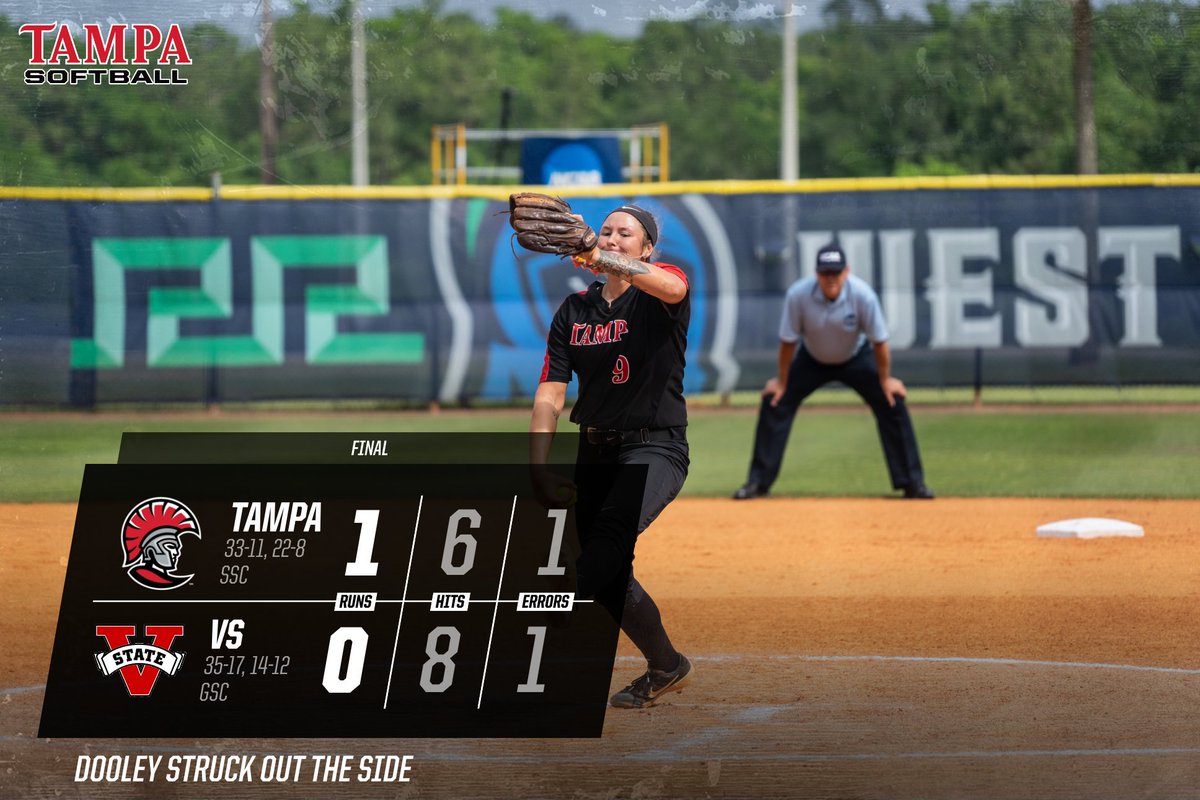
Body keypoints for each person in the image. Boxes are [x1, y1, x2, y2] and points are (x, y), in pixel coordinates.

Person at [529, 203, 694, 709]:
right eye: (605, 232)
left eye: (626, 233)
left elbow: (673, 289)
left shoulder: (660, 291)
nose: (613, 238)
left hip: (654, 446)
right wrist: (538, 465)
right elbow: (551, 393)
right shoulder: (573, 311)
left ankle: (658, 659)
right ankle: (667, 665)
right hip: (595, 451)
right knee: (602, 570)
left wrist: (597, 254)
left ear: (647, 249)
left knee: (602, 553)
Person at [733, 243, 934, 500]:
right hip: (812, 358)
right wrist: (782, 382)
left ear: (846, 272)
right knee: (775, 400)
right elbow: (788, 342)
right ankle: (758, 483)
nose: (830, 278)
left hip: (855, 356)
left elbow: (880, 342)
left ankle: (912, 483)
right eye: (825, 272)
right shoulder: (798, 295)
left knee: (892, 400)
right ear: (816, 273)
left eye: (835, 272)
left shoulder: (863, 295)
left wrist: (885, 380)